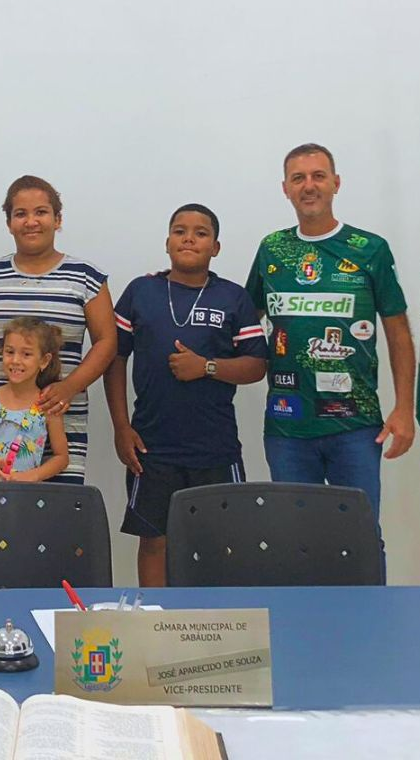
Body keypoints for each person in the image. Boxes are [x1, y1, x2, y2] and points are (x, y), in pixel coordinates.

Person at [246, 144, 416, 532]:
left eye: (318, 176)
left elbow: (398, 333)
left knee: (360, 540)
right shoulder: (272, 248)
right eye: (298, 178)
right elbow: (243, 319)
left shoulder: (369, 249)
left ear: (336, 183)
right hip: (288, 426)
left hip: (354, 426)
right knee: (296, 541)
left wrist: (404, 409)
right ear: (285, 188)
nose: (309, 186)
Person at [105, 204, 267, 586]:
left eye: (200, 232)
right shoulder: (141, 291)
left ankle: (214, 627)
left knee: (219, 542)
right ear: (167, 242)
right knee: (154, 540)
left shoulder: (234, 298)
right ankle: (156, 623)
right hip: (151, 445)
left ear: (216, 247)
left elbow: (257, 365)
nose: (189, 238)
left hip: (215, 446)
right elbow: (114, 358)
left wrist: (207, 366)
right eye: (179, 231)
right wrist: (120, 426)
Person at [0, 175, 117, 485]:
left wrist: (68, 388)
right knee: (2, 523)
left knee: (54, 520)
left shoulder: (86, 276)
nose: (31, 221)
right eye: (21, 214)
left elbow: (107, 343)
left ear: (58, 219)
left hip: (59, 418)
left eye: (41, 212)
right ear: (9, 223)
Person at [0, 317, 70, 483]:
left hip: (27, 497)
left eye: (26, 354)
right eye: (9, 352)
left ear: (44, 361)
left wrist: (33, 475)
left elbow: (61, 457)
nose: (15, 360)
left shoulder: (46, 404)